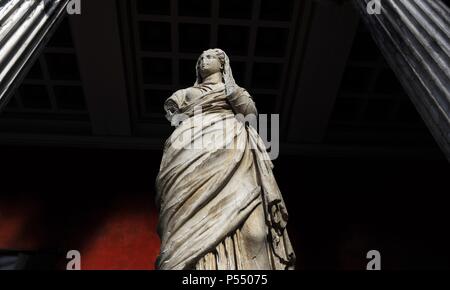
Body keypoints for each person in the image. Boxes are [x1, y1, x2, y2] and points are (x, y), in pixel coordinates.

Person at [155, 48, 295, 270]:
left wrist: (232, 90)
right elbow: (173, 113)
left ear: (222, 64)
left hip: (234, 149)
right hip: (192, 149)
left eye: (209, 57)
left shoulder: (235, 90)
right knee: (190, 218)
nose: (203, 61)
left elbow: (250, 113)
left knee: (255, 233)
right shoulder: (185, 93)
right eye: (200, 58)